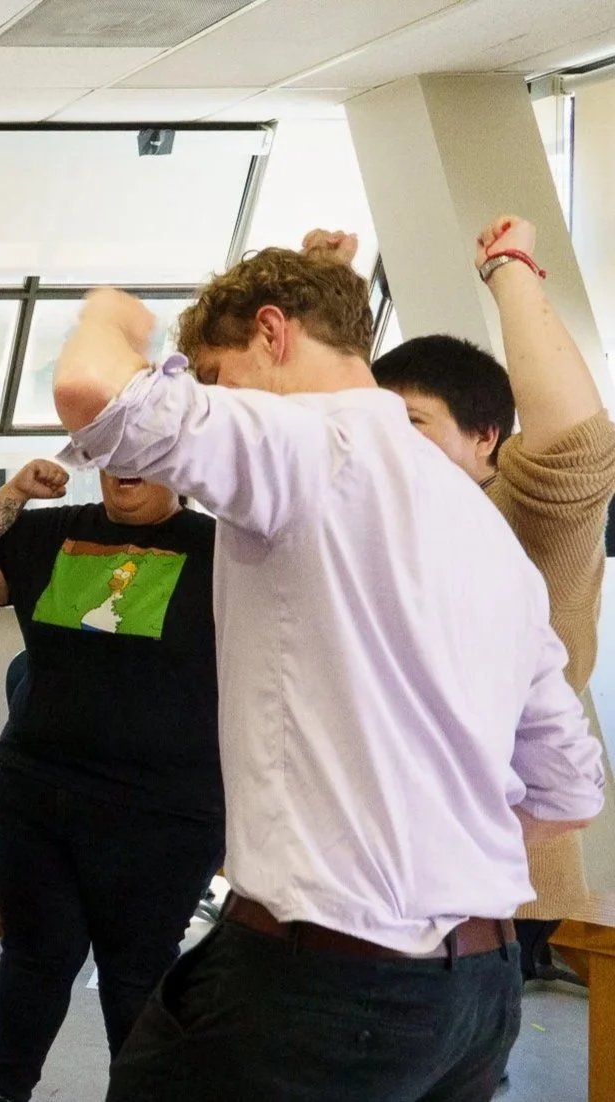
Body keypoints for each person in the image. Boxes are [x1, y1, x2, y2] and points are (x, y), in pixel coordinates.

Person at [48, 254, 604, 1100]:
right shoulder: (480, 523)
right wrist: (423, 853)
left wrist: (112, 314)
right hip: (475, 998)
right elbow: (569, 789)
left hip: (330, 986)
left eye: (216, 377)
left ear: (272, 333)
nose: (215, 400)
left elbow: (92, 390)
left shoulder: (310, 444)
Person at [357, 217, 615, 989]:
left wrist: (509, 267)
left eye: (412, 425)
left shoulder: (518, 516)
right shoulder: (358, 515)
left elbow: (577, 444)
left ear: (485, 440)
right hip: (360, 867)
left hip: (482, 884)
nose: (388, 445)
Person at [0, 459, 220, 1102]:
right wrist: (16, 492)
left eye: (144, 449)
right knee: (35, 955)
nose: (125, 464)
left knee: (135, 970)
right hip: (39, 792)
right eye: (113, 449)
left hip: (161, 810)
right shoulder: (52, 531)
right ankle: (6, 1090)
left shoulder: (220, 548)